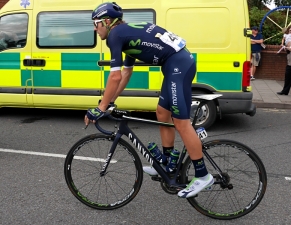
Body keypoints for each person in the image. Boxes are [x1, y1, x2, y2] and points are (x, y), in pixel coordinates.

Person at [84, 2, 214, 198]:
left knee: (181, 122)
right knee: (162, 112)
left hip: (178, 65)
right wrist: (111, 101)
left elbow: (115, 76)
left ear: (107, 21)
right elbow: (126, 74)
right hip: (175, 64)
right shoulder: (124, 34)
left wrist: (101, 107)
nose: (95, 29)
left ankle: (203, 176)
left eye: (96, 24)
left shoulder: (115, 36)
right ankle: (168, 163)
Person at [277, 27, 291, 98]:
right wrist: (286, 48)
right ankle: (285, 91)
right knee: (288, 78)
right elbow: (290, 49)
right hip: (290, 62)